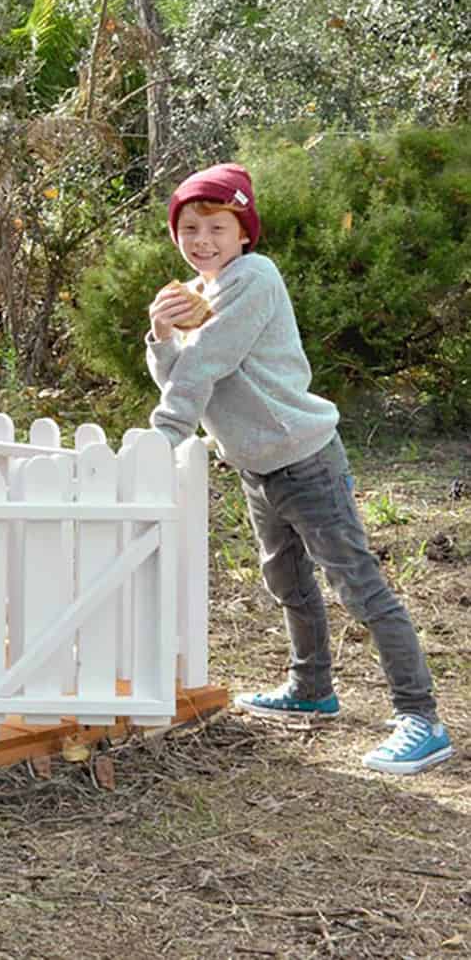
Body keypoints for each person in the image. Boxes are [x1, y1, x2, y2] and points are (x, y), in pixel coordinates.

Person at [145, 162, 451, 775]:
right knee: (286, 581)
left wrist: (161, 438)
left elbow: (207, 366)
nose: (202, 240)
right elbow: (182, 371)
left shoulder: (253, 277)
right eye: (190, 228)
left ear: (244, 233)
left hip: (305, 460)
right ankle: (312, 689)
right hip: (257, 468)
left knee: (358, 586)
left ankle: (422, 717)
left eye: (217, 228)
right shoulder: (201, 292)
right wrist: (159, 335)